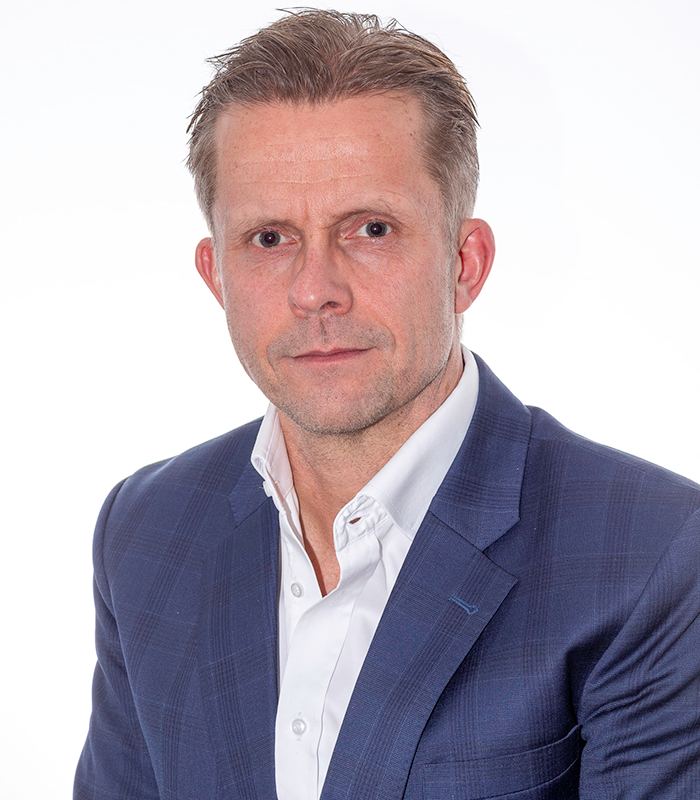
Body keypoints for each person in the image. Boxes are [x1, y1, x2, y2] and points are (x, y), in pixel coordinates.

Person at [74, 10, 700, 800]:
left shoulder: (652, 554)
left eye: (370, 229)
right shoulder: (146, 530)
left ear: (466, 263)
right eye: (269, 239)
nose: (315, 290)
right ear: (215, 275)